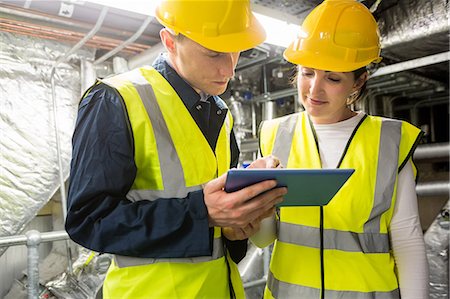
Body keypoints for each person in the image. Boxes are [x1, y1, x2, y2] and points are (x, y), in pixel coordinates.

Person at [65, 1, 287, 298]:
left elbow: (218, 228)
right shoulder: (116, 99)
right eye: (214, 53)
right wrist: (203, 213)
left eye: (236, 51)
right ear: (170, 41)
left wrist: (235, 229)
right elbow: (89, 221)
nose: (230, 68)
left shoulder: (222, 115)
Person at [252, 0, 430, 298]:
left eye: (332, 78)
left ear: (358, 81)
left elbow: (408, 243)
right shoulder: (273, 135)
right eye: (307, 73)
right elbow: (263, 240)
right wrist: (260, 205)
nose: (314, 89)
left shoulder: (389, 141)